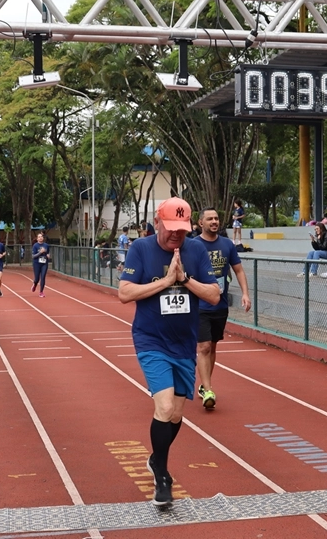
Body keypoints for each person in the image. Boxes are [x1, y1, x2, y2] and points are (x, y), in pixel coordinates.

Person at [118, 197, 219, 507]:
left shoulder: (196, 250)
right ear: (158, 222)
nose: (177, 235)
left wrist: (185, 280)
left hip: (183, 342)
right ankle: (162, 475)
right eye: (172, 229)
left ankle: (155, 459)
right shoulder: (141, 249)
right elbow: (124, 293)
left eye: (182, 230)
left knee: (176, 413)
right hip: (151, 340)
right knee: (163, 407)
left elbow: (214, 295)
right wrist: (165, 281)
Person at [195, 207, 251, 410]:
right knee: (204, 347)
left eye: (216, 218)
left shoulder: (227, 245)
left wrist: (245, 294)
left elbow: (239, 271)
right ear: (201, 222)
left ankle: (204, 384)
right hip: (199, 305)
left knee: (213, 347)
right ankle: (208, 389)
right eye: (209, 218)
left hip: (220, 304)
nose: (214, 221)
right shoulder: (193, 245)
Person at [31, 232, 51, 297]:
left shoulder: (46, 245)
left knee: (43, 277)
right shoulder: (35, 246)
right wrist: (40, 252)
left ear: (43, 238)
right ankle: (35, 284)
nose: (40, 238)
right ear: (37, 239)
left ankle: (41, 292)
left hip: (44, 263)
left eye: (41, 237)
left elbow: (48, 253)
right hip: (36, 263)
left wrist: (48, 256)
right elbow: (33, 256)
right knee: (37, 278)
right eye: (39, 237)